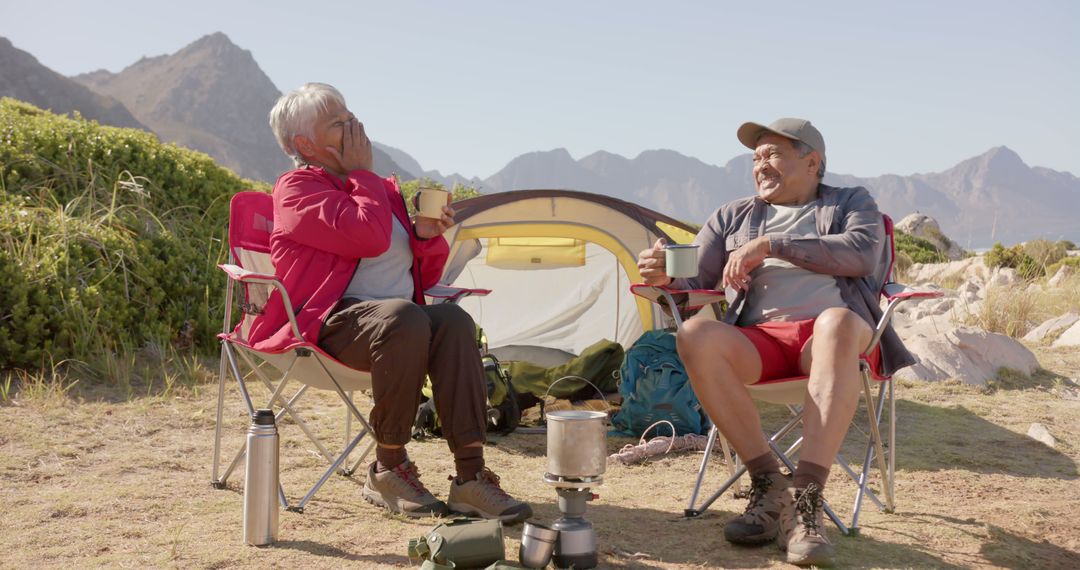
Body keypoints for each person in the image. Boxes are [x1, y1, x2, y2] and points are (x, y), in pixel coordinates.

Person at [636, 118, 913, 566]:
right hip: (761, 341)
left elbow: (862, 253)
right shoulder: (732, 216)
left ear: (812, 162)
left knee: (837, 323)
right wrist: (666, 275)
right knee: (696, 334)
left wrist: (771, 245)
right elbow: (694, 282)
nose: (761, 165)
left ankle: (807, 499)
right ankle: (768, 484)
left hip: (833, 339)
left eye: (772, 155)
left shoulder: (850, 202)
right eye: (756, 158)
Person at [251, 82, 532, 523]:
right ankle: (388, 467)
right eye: (338, 123)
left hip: (397, 327)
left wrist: (424, 235)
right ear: (306, 143)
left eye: (351, 116)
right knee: (404, 318)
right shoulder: (296, 190)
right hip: (328, 325)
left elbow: (424, 276)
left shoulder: (379, 190)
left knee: (453, 320)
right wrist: (363, 175)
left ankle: (471, 478)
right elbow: (367, 235)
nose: (354, 127)